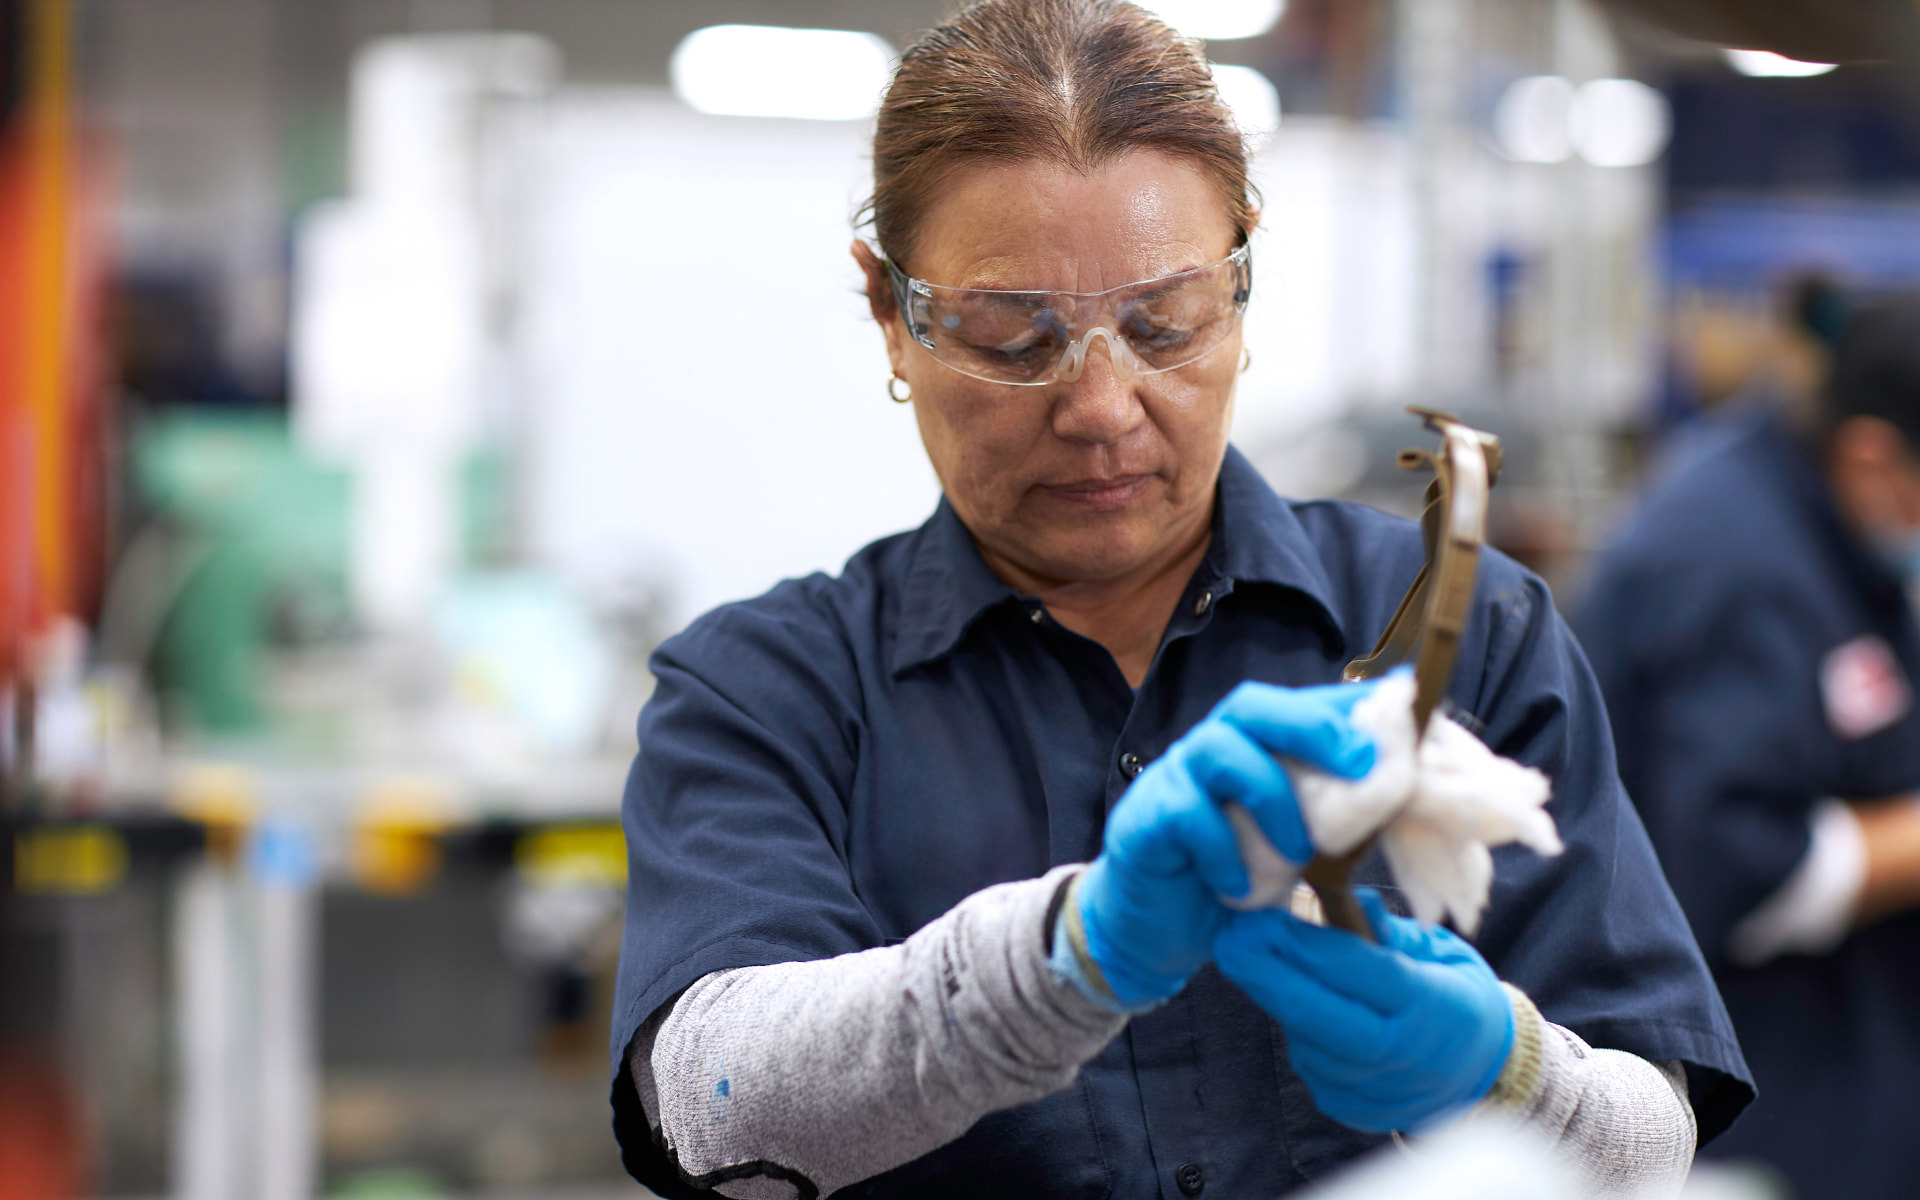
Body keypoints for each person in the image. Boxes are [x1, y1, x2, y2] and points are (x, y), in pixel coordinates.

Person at [610, 3, 1750, 1196]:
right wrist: (1068, 955)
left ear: (1242, 288)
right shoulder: (767, 691)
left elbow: (1649, 1147)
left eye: (1164, 322)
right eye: (1011, 336)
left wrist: (1506, 1071)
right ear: (892, 313)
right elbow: (711, 1099)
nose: (1102, 405)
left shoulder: (1458, 632)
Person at [1578, 295, 1920, 1200]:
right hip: (1757, 1076)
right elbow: (1734, 869)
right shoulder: (1739, 572)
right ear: (1873, 455)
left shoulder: (1817, 511)